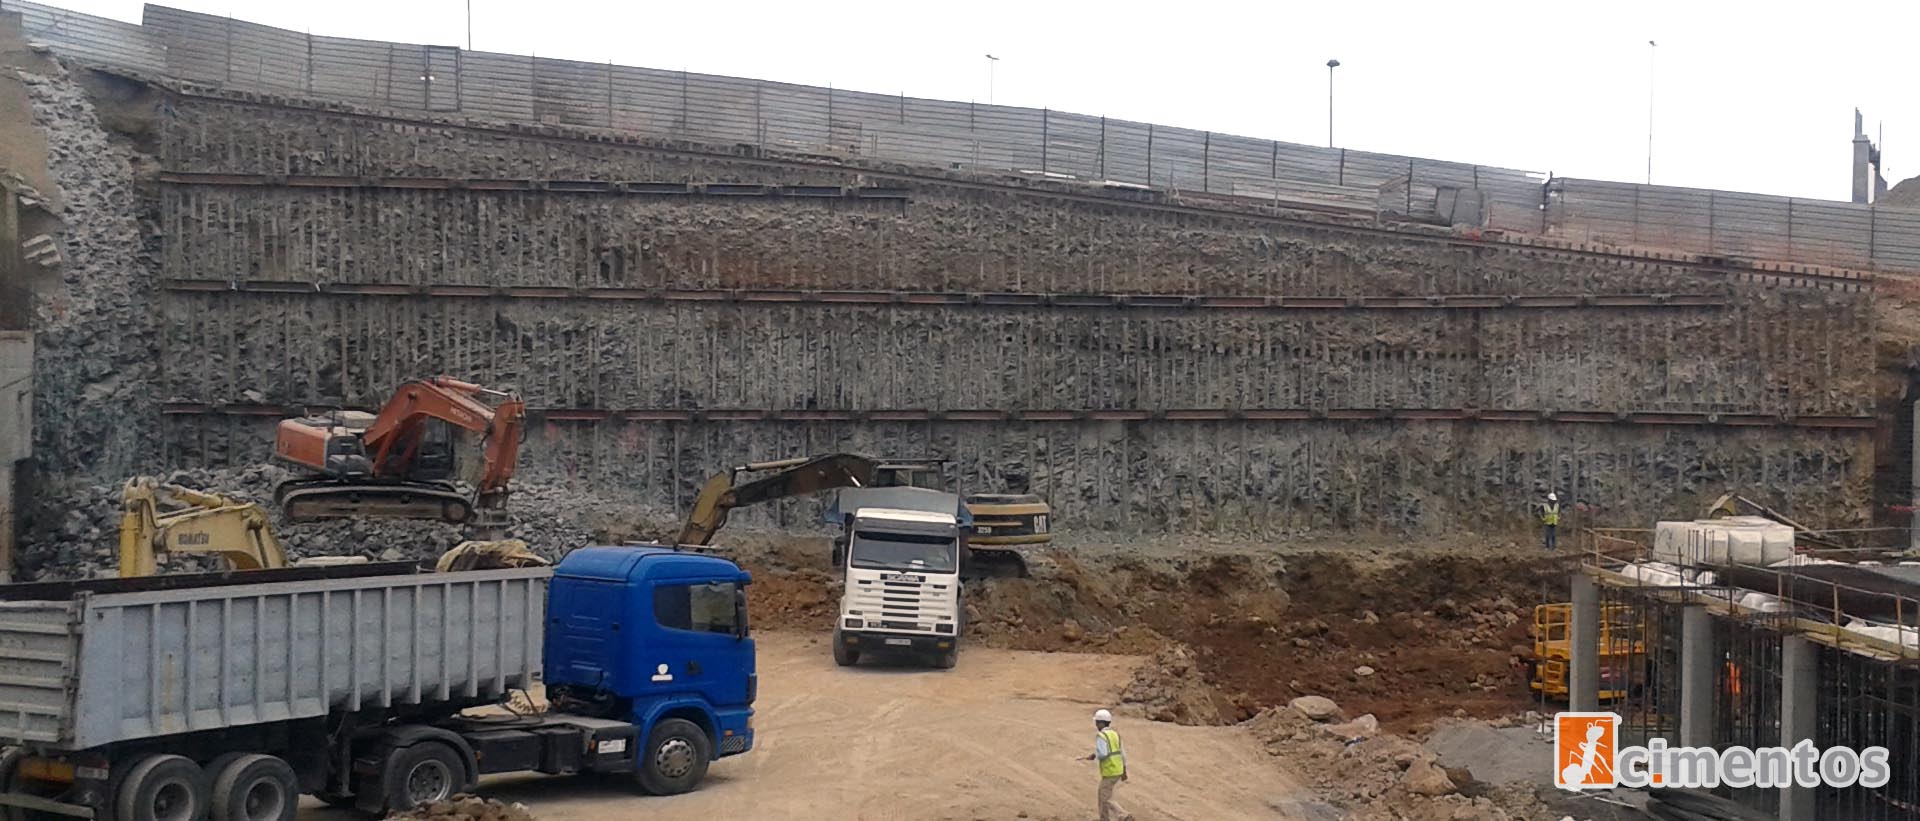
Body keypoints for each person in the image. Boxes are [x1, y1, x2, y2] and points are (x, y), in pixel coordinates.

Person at [1082, 708, 1130, 821]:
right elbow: (1122, 753)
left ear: (1101, 723)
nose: (1096, 725)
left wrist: (1095, 756)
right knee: (1103, 796)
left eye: (1097, 722)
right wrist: (1124, 770)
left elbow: (1103, 754)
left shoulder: (1101, 736)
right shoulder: (1115, 734)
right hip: (1117, 770)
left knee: (1105, 797)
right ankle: (1104, 818)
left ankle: (1123, 814)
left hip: (1110, 770)